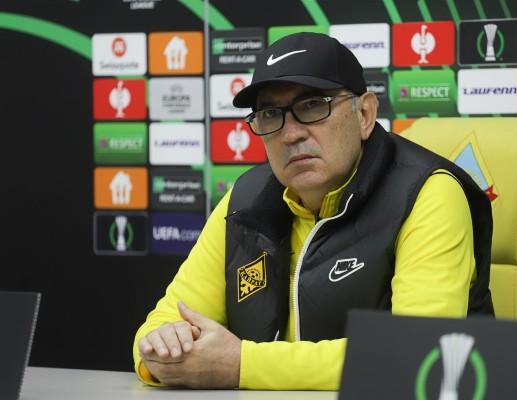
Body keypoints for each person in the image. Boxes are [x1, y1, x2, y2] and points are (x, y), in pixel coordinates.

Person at [133, 32, 494, 390]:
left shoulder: (427, 193)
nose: (291, 134)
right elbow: (158, 327)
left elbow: (415, 353)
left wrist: (242, 365)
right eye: (271, 114)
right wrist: (163, 350)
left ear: (365, 114)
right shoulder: (245, 199)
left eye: (312, 106)